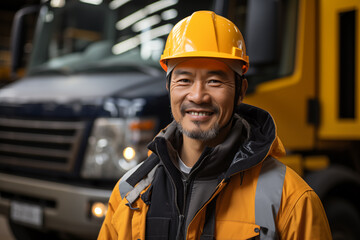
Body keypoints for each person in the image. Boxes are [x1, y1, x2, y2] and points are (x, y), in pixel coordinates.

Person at [98, 11, 332, 240]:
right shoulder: (129, 194)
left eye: (214, 81)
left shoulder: (291, 200)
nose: (198, 96)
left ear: (240, 91)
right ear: (169, 88)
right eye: (184, 80)